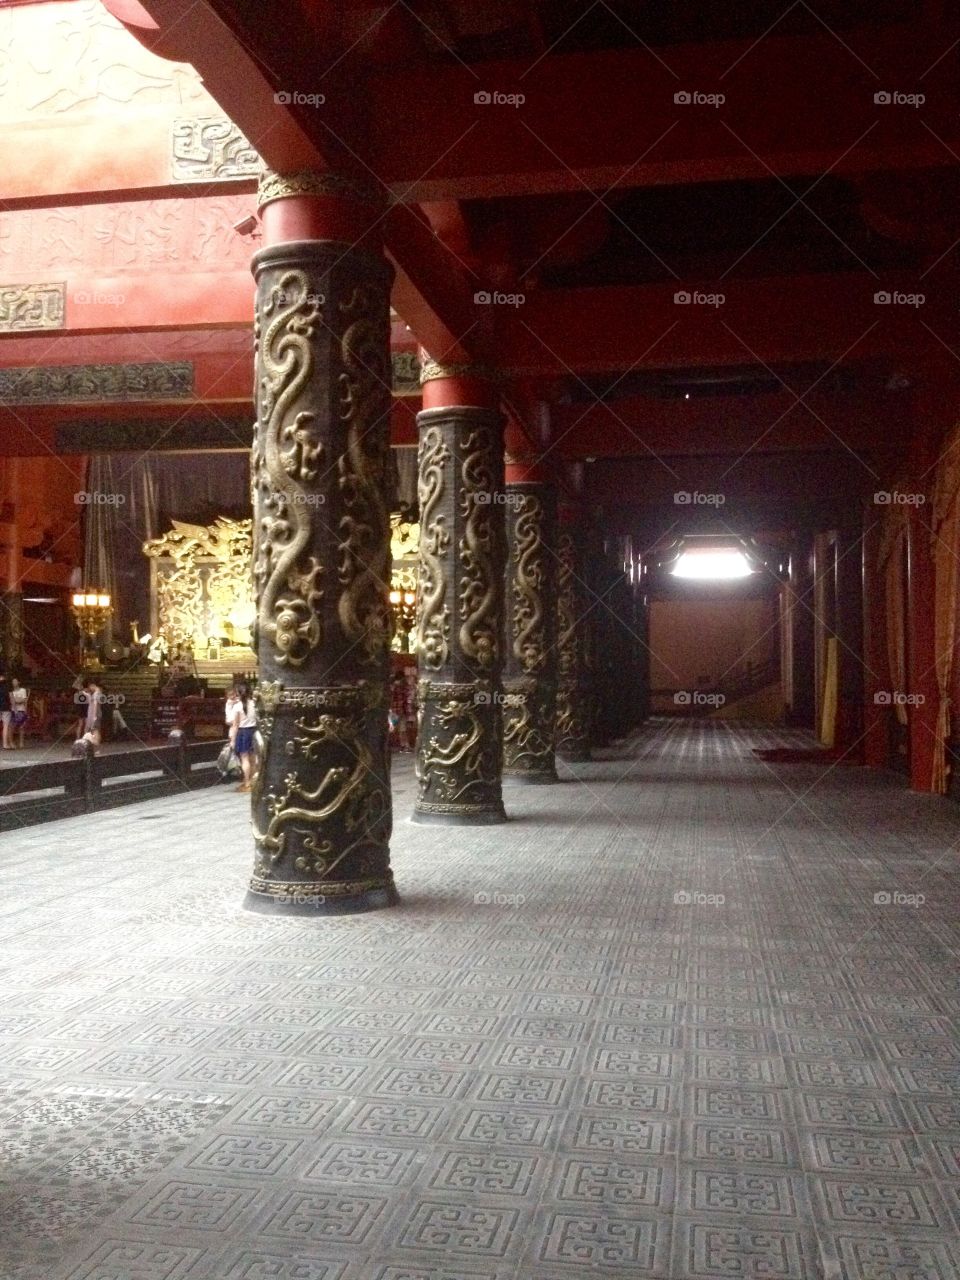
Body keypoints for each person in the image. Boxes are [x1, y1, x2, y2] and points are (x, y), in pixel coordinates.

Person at [231, 681, 257, 793]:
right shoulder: (255, 704)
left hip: (243, 732)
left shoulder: (237, 706)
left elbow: (235, 725)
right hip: (254, 731)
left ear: (238, 693)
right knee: (253, 758)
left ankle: (246, 782)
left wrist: (232, 740)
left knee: (244, 758)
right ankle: (252, 781)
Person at [76, 676, 103, 753]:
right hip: (91, 714)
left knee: (96, 730)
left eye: (90, 686)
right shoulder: (95, 693)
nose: (90, 688)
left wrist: (94, 716)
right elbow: (91, 701)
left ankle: (97, 747)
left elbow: (95, 705)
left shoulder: (97, 693)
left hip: (95, 714)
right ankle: (91, 747)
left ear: (93, 685)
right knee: (92, 730)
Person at [10, 678, 29, 749]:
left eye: (15, 681)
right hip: (13, 710)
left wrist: (16, 701)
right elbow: (11, 701)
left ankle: (21, 742)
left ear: (19, 682)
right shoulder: (11, 691)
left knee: (21, 727)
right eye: (13, 682)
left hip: (22, 710)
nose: (14, 683)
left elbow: (24, 700)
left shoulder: (23, 690)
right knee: (12, 726)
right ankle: (11, 742)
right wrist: (17, 701)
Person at [0, 675, 11, 749]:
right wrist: (14, 708)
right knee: (6, 726)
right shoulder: (7, 688)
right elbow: (11, 698)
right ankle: (5, 744)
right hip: (6, 708)